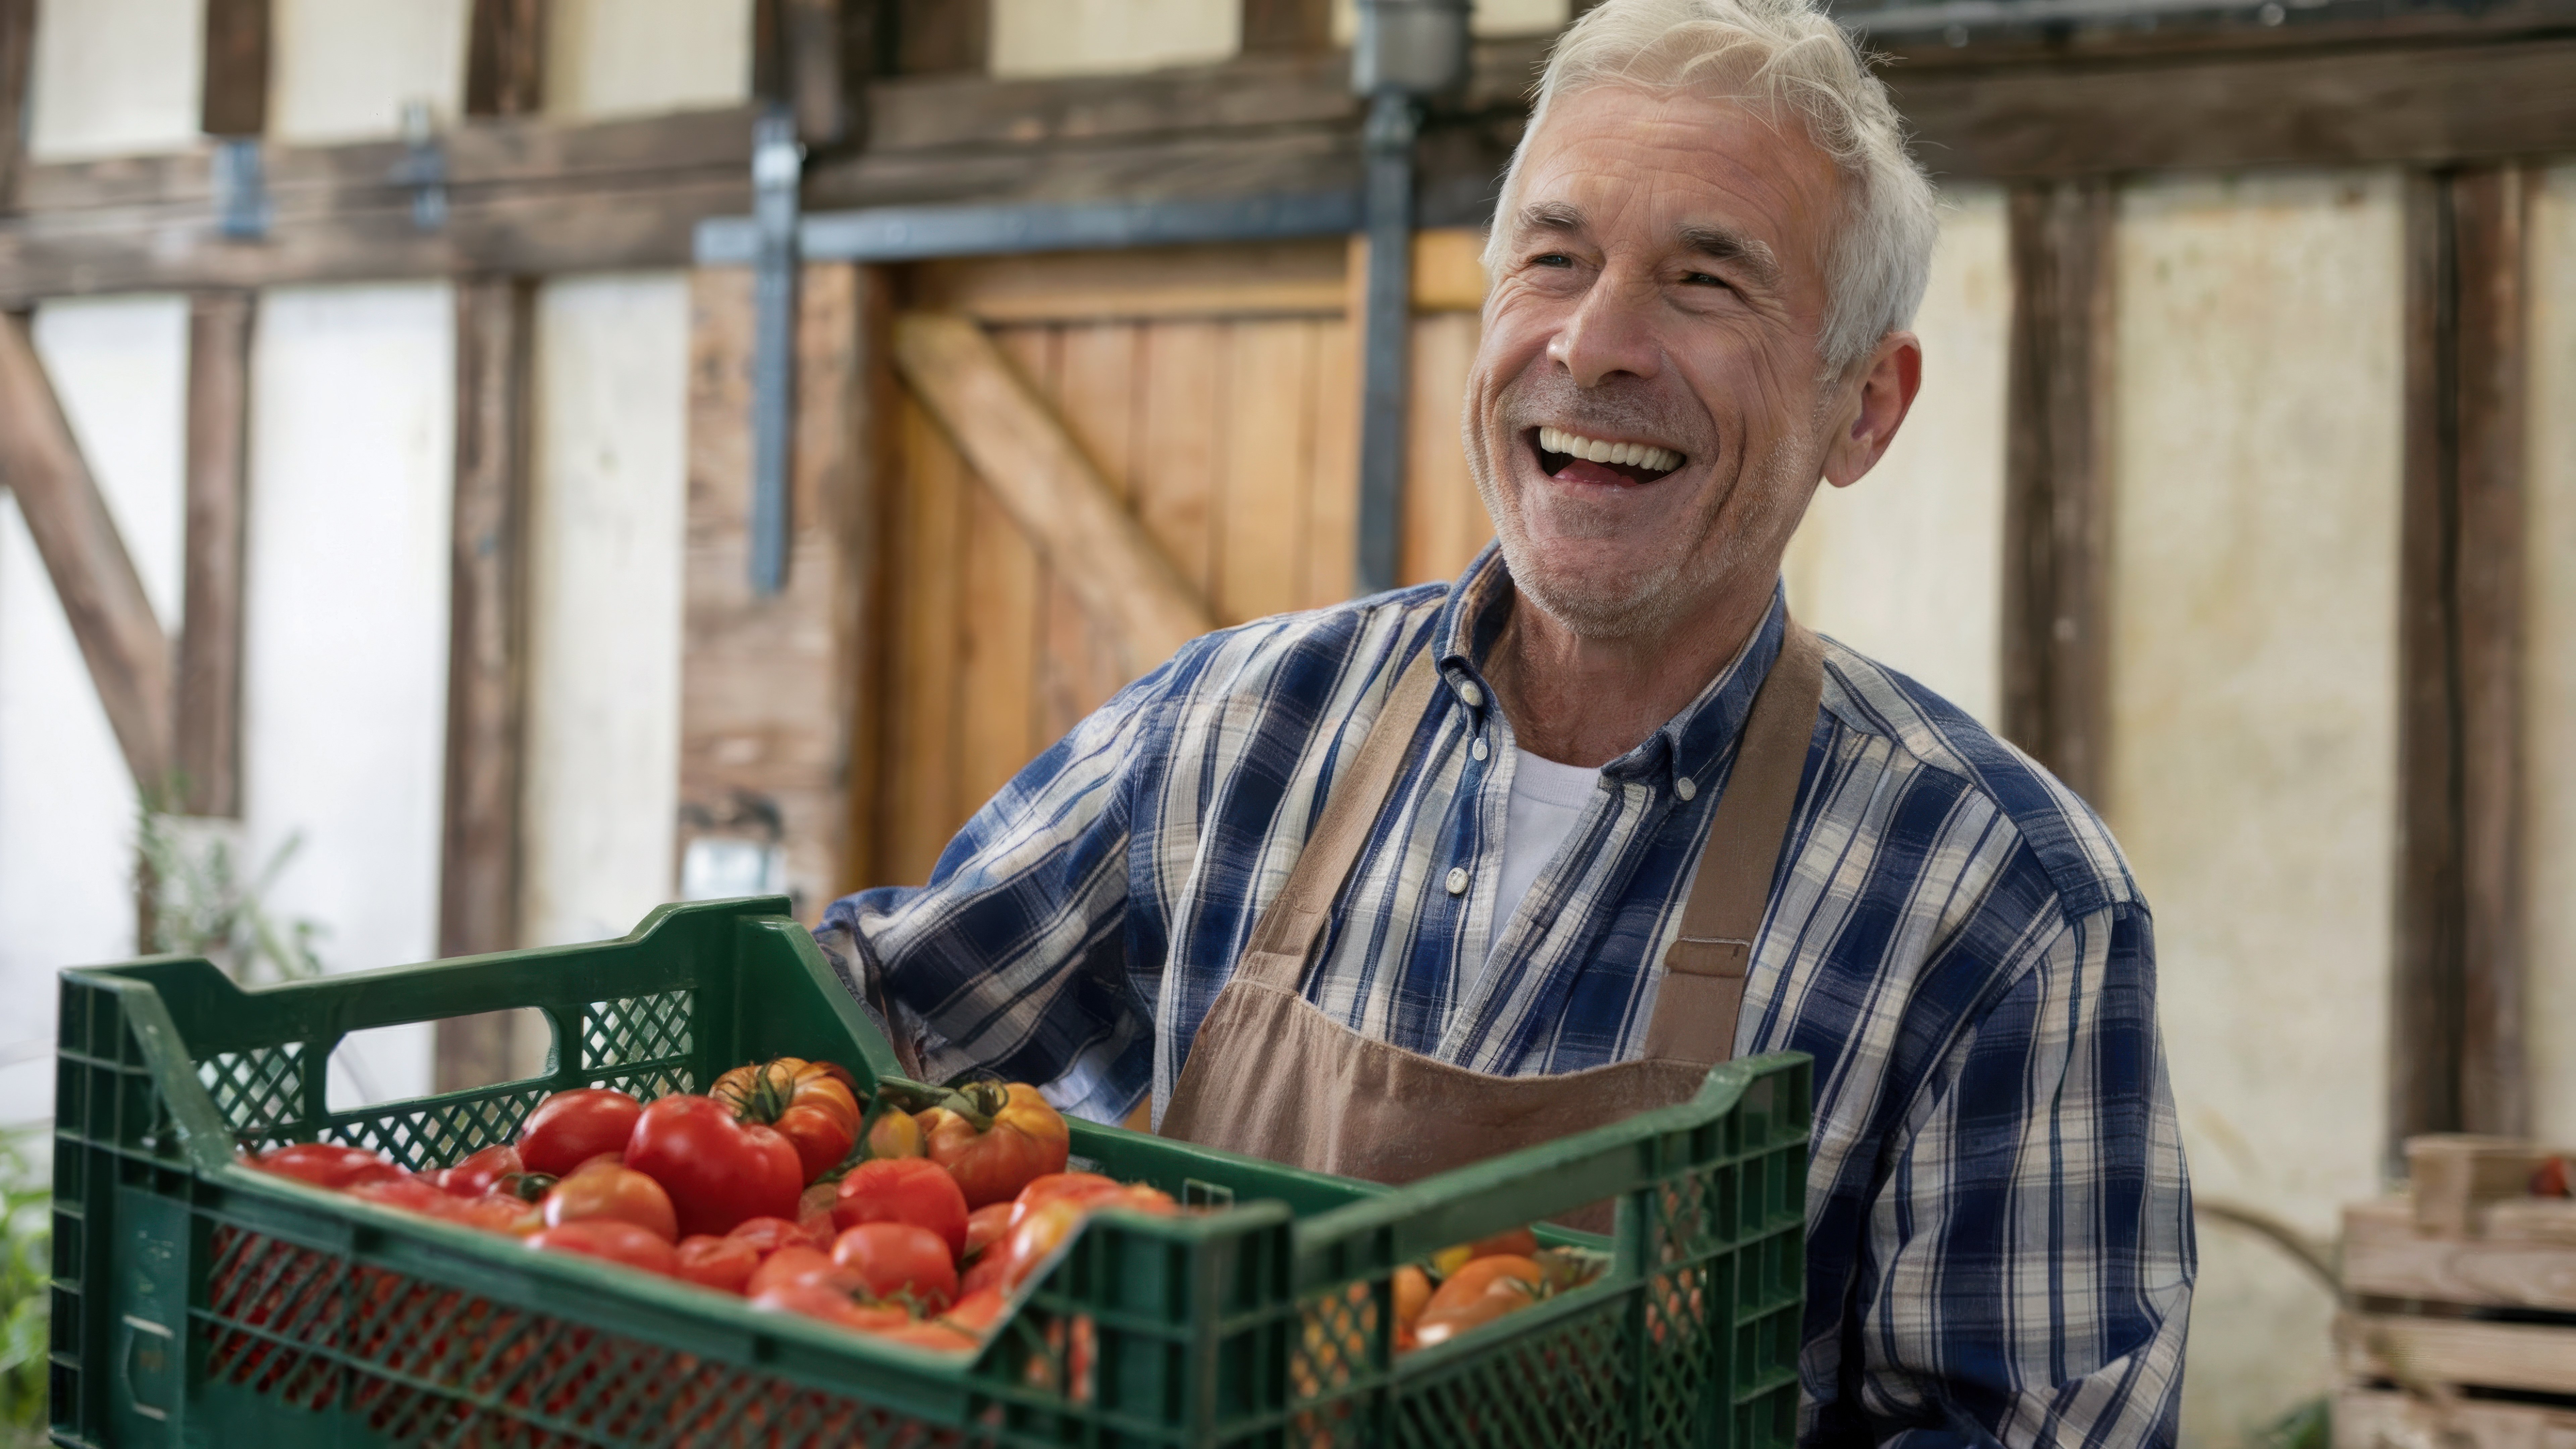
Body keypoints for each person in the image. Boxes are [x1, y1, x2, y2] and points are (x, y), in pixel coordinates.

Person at [816, 0, 2192, 1437]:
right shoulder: (1230, 733)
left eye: (1706, 281)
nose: (1595, 345)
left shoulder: (2006, 908)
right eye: (1553, 258)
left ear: (1864, 409)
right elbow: (861, 1039)